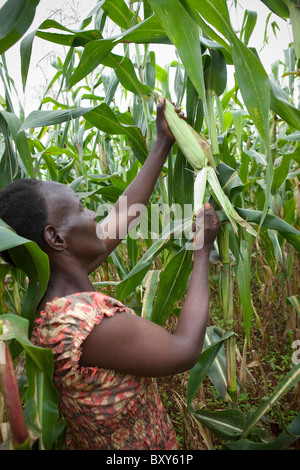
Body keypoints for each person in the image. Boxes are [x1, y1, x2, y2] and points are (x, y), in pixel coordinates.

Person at [0, 99, 221, 450]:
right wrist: (202, 251)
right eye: (82, 208)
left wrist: (162, 141)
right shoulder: (89, 326)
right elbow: (184, 351)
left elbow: (121, 215)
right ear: (56, 238)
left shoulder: (55, 293)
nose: (94, 215)